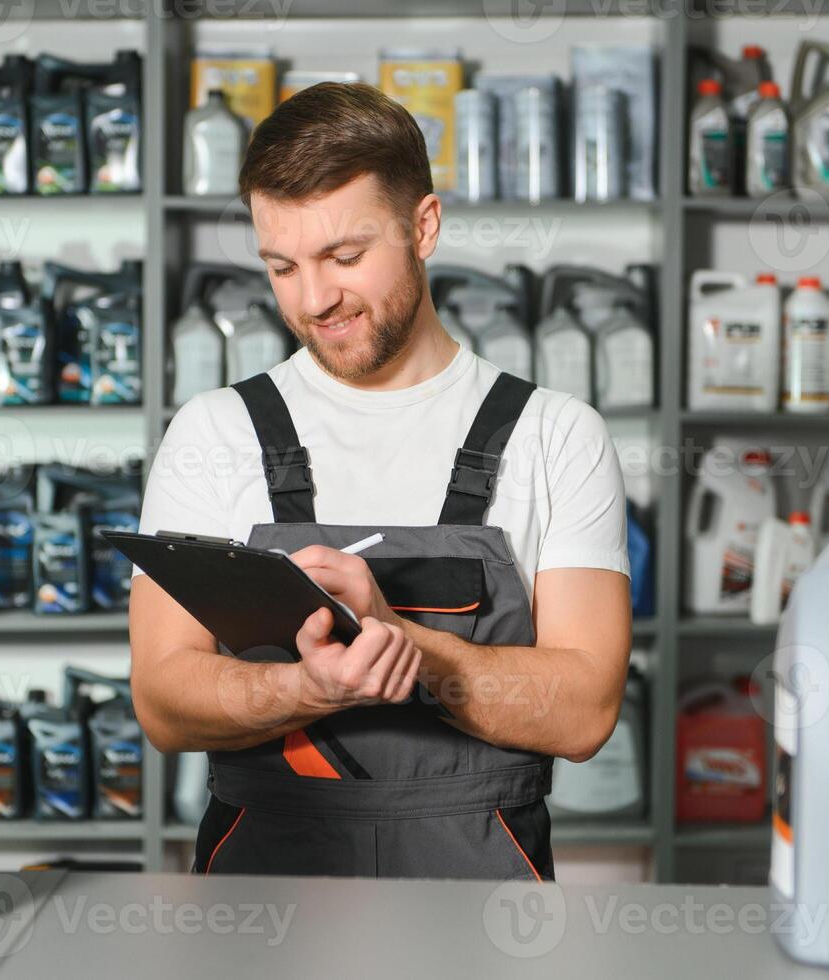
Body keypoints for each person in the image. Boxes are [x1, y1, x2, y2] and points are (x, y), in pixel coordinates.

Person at [129, 83, 631, 880]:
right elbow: (162, 700)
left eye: (345, 257)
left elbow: (584, 711)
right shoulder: (213, 433)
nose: (313, 299)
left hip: (481, 900)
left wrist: (401, 643)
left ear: (422, 226)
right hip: (264, 896)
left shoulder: (554, 435)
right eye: (282, 266)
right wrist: (306, 687)